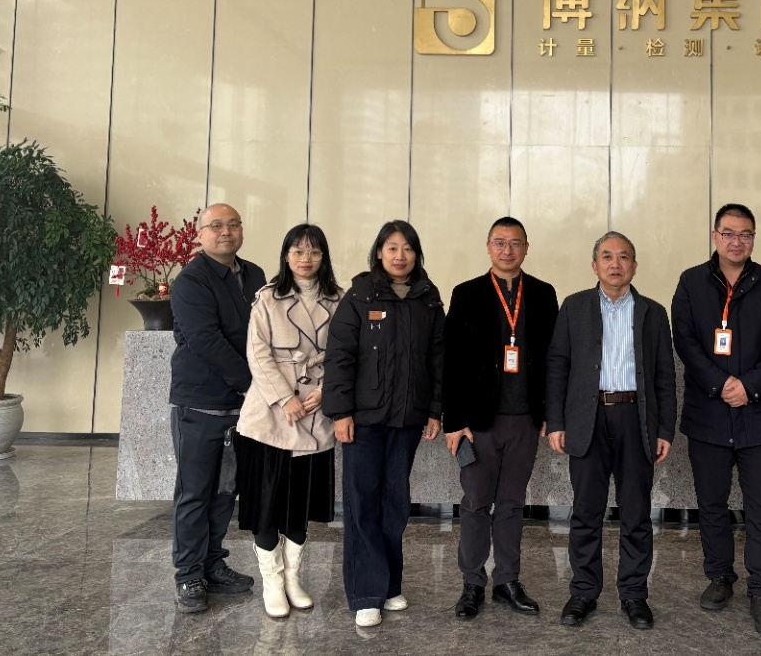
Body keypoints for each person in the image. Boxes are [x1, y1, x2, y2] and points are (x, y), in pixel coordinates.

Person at [670, 203, 761, 637]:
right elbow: (685, 340)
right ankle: (720, 576)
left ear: (753, 239)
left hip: (760, 414)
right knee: (712, 505)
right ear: (714, 236)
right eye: (729, 233)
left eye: (745, 234)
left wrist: (749, 386)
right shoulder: (690, 282)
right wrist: (721, 383)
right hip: (708, 413)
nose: (736, 241)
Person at [547, 231, 677, 631]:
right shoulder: (574, 307)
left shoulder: (653, 312)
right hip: (588, 418)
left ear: (634, 266)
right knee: (586, 511)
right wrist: (557, 421)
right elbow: (558, 366)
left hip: (636, 419)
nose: (615, 263)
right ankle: (583, 592)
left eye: (623, 257)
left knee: (636, 513)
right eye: (607, 256)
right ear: (595, 265)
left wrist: (665, 429)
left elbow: (665, 377)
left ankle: (634, 594)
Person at [323, 221, 445, 629]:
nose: (400, 255)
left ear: (416, 254)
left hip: (407, 420)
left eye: (407, 248)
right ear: (379, 252)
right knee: (362, 504)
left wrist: (435, 410)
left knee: (394, 504)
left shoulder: (428, 299)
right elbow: (339, 356)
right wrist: (340, 412)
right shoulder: (360, 295)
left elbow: (438, 361)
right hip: (363, 420)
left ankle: (390, 584)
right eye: (392, 247)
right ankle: (366, 593)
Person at [442, 217, 559, 620]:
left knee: (511, 504)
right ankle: (472, 583)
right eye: (500, 242)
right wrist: (454, 421)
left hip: (525, 419)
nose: (507, 250)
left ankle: (508, 580)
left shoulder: (543, 294)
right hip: (478, 422)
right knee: (476, 503)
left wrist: (551, 413)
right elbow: (451, 361)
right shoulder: (467, 293)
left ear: (526, 247)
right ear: (488, 246)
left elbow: (553, 360)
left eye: (515, 243)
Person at [235, 223, 343, 617]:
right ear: (286, 255)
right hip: (270, 414)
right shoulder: (268, 298)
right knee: (266, 503)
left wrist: (327, 389)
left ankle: (294, 578)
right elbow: (257, 353)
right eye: (298, 251)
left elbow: (349, 353)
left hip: (316, 411)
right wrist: (285, 398)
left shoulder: (340, 300)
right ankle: (272, 582)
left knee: (300, 504)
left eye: (313, 251)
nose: (305, 258)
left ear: (323, 256)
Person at [169, 203, 266, 614]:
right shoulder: (191, 281)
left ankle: (212, 563)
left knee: (226, 490)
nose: (226, 232)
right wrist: (253, 385)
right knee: (195, 493)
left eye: (233, 225)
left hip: (241, 409)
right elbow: (206, 340)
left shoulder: (255, 275)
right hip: (201, 404)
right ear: (200, 234)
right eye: (216, 226)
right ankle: (188, 574)